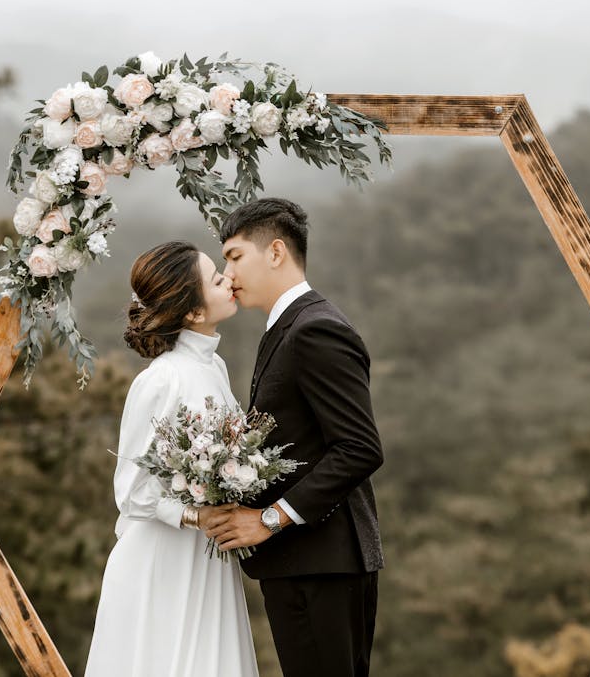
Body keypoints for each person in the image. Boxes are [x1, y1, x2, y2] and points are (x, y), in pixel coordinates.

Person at [202, 198, 384, 677]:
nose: (228, 271)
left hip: (323, 563)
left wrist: (269, 519)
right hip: (304, 563)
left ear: (276, 252)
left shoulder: (315, 328)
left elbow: (360, 448)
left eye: (235, 256)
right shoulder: (286, 326)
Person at [84, 240, 259, 677]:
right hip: (162, 562)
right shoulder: (159, 380)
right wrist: (195, 516)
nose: (228, 279)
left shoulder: (213, 367)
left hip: (206, 557)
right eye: (217, 279)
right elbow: (130, 493)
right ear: (193, 312)